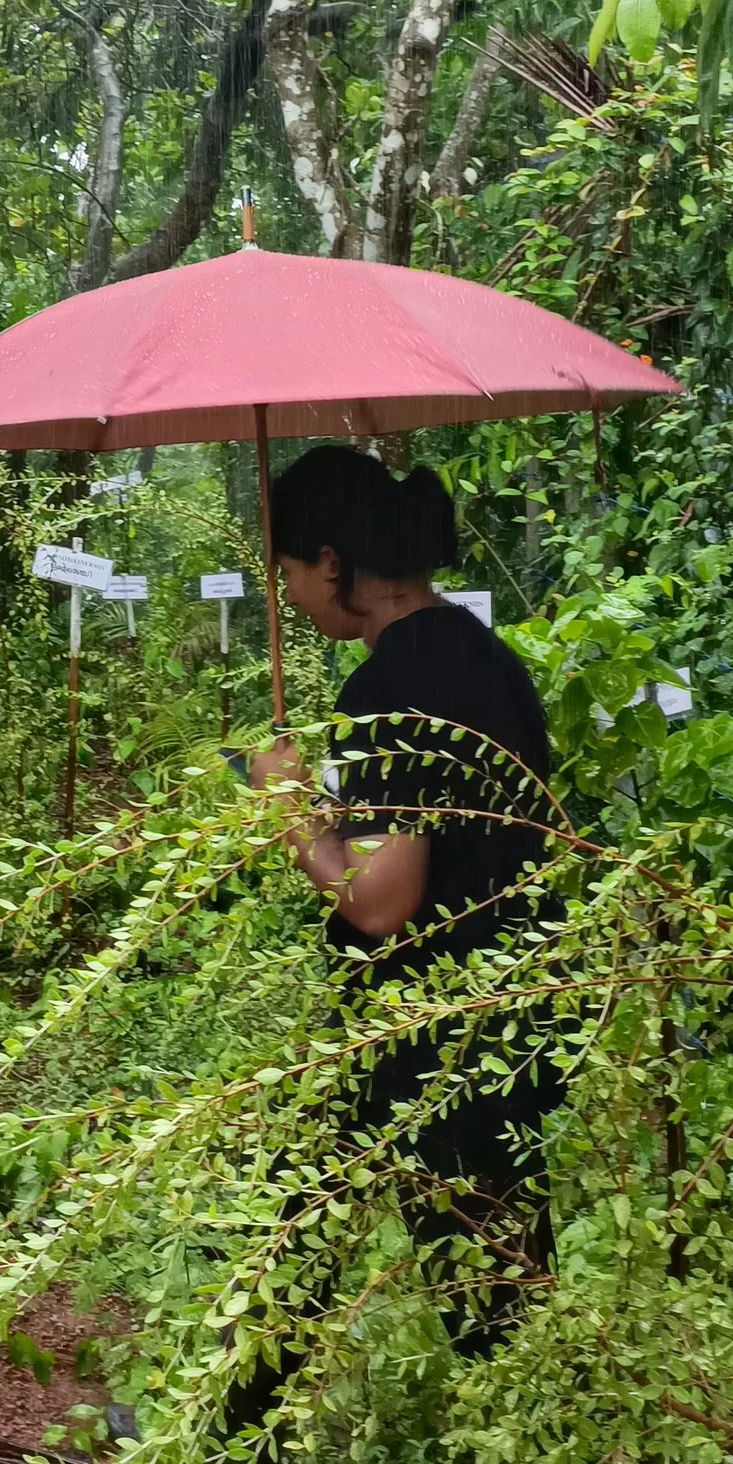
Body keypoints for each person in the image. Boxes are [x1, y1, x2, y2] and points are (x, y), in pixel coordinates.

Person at [249, 444, 553, 1206]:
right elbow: (455, 831)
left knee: (303, 1251)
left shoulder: (386, 686)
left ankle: (268, 1327)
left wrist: (283, 807)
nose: (288, 597)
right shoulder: (488, 657)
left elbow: (381, 899)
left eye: (286, 573)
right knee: (493, 1274)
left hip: (426, 1032)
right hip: (508, 1015)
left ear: (329, 560)